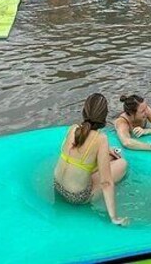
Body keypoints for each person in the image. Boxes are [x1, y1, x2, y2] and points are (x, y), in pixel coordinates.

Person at [53, 94, 129, 225]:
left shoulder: (73, 129)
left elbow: (80, 152)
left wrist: (106, 152)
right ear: (104, 116)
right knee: (122, 163)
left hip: (57, 187)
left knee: (90, 164)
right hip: (76, 197)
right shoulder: (101, 139)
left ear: (84, 111)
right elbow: (106, 183)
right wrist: (114, 218)